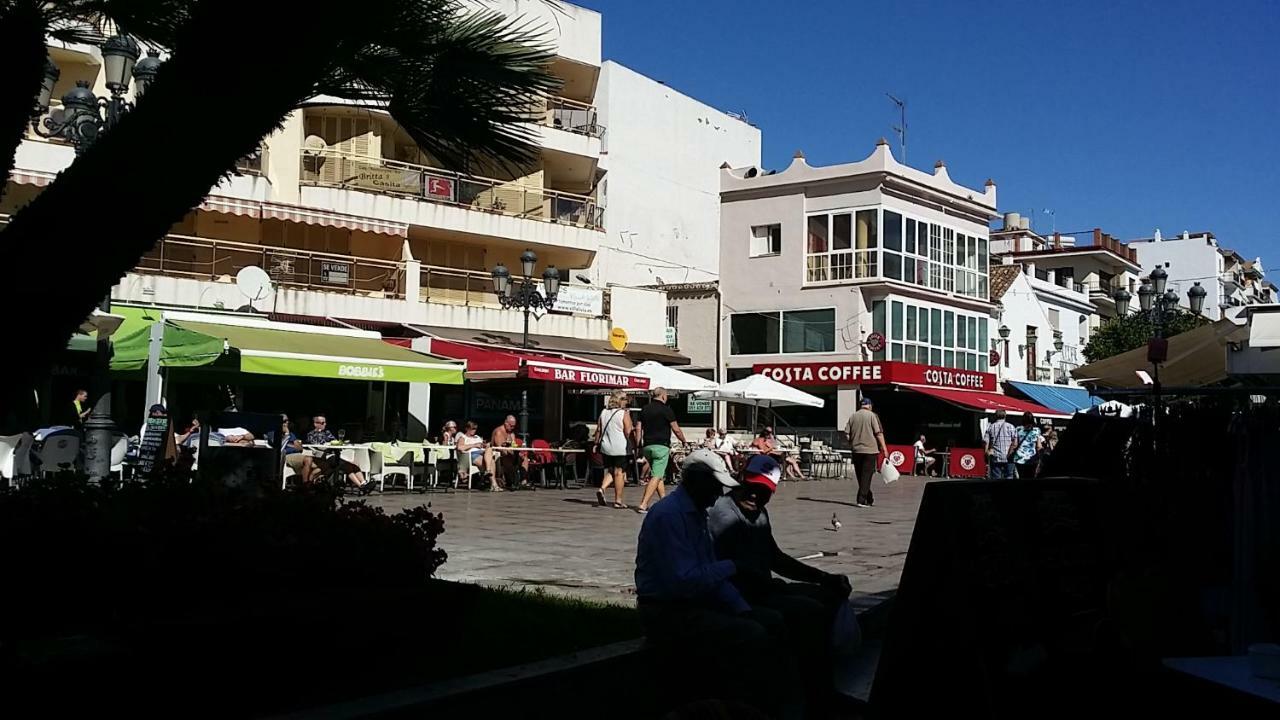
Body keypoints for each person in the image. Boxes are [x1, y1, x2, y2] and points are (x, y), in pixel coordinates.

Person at [634, 449, 802, 719]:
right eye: (715, 487)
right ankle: (747, 706)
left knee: (769, 621)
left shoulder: (697, 513)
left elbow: (712, 572)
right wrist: (733, 567)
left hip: (693, 603)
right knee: (751, 634)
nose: (718, 494)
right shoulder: (670, 516)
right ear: (696, 483)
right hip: (666, 610)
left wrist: (741, 607)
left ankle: (775, 702)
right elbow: (684, 580)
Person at [708, 454, 853, 712]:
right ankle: (816, 696)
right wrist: (773, 585)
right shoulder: (724, 514)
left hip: (762, 588)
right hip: (739, 595)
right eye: (751, 486)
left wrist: (823, 577)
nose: (755, 495)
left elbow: (776, 558)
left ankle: (822, 686)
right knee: (808, 611)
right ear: (741, 479)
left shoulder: (759, 514)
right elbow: (733, 569)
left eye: (763, 491)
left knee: (828, 595)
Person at [635, 387, 687, 514]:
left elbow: (638, 428)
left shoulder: (645, 408)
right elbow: (676, 429)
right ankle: (643, 504)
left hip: (647, 446)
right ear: (663, 396)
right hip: (661, 446)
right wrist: (684, 441)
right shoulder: (666, 410)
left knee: (657, 474)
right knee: (657, 475)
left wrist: (638, 445)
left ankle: (664, 501)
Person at [844, 398, 888, 507]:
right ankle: (861, 499)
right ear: (869, 406)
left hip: (856, 450)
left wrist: (852, 442)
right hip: (870, 450)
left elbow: (846, 433)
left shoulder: (853, 416)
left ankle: (869, 497)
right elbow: (878, 433)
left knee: (861, 475)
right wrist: (884, 448)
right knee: (866, 475)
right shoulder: (872, 416)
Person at [595, 390, 634, 509]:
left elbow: (599, 430)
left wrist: (596, 443)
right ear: (620, 400)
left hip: (606, 446)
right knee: (619, 472)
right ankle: (618, 501)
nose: (627, 402)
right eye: (625, 399)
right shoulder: (623, 413)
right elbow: (628, 431)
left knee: (611, 470)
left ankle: (602, 488)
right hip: (620, 446)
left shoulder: (604, 412)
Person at [491, 415, 529, 489]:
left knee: (524, 458)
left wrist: (518, 452)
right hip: (499, 456)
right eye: (511, 426)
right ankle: (511, 481)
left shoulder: (511, 433)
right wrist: (511, 451)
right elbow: (500, 449)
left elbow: (513, 446)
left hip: (510, 454)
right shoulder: (499, 432)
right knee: (508, 458)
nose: (512, 428)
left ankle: (524, 481)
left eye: (514, 426)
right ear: (506, 423)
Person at [456, 421, 497, 489]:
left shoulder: (477, 437)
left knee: (489, 449)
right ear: (467, 429)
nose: (473, 431)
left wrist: (484, 445)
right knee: (491, 462)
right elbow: (460, 447)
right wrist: (474, 445)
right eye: (472, 429)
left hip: (482, 453)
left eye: (475, 429)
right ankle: (494, 484)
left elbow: (482, 446)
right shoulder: (463, 438)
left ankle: (488, 472)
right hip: (472, 455)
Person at [983, 409, 1019, 480]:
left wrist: (986, 452)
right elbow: (1015, 443)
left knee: (996, 477)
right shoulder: (1011, 426)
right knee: (1009, 476)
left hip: (995, 456)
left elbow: (985, 442)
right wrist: (1010, 452)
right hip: (1009, 456)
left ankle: (998, 490)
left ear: (995, 416)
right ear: (1005, 416)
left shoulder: (990, 427)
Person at [1012, 412, 1044, 479]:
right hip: (1032, 458)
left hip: (1019, 458)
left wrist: (1010, 453)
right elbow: (1038, 446)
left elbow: (1015, 444)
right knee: (1031, 477)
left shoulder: (1018, 429)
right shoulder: (1037, 430)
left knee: (1021, 477)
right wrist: (1041, 457)